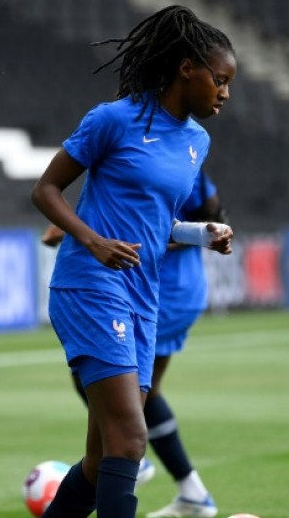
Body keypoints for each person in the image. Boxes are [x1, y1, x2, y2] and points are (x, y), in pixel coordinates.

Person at [31, 5, 235, 518]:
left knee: (102, 459)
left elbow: (154, 225)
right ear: (187, 68)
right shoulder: (114, 119)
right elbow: (47, 190)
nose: (226, 93)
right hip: (91, 286)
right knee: (129, 441)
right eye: (221, 79)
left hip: (145, 296)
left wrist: (198, 233)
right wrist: (92, 239)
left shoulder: (197, 141)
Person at [43, 169, 226, 518]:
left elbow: (210, 213)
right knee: (141, 390)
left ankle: (129, 458)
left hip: (160, 286)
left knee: (110, 384)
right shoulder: (168, 148)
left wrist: (201, 231)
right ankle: (188, 489)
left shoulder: (181, 147)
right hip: (158, 286)